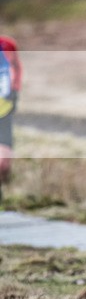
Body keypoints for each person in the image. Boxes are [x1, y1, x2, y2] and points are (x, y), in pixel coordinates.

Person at [0, 35, 22, 201]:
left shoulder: (7, 44)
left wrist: (14, 94)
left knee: (4, 162)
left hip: (3, 110)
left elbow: (16, 68)